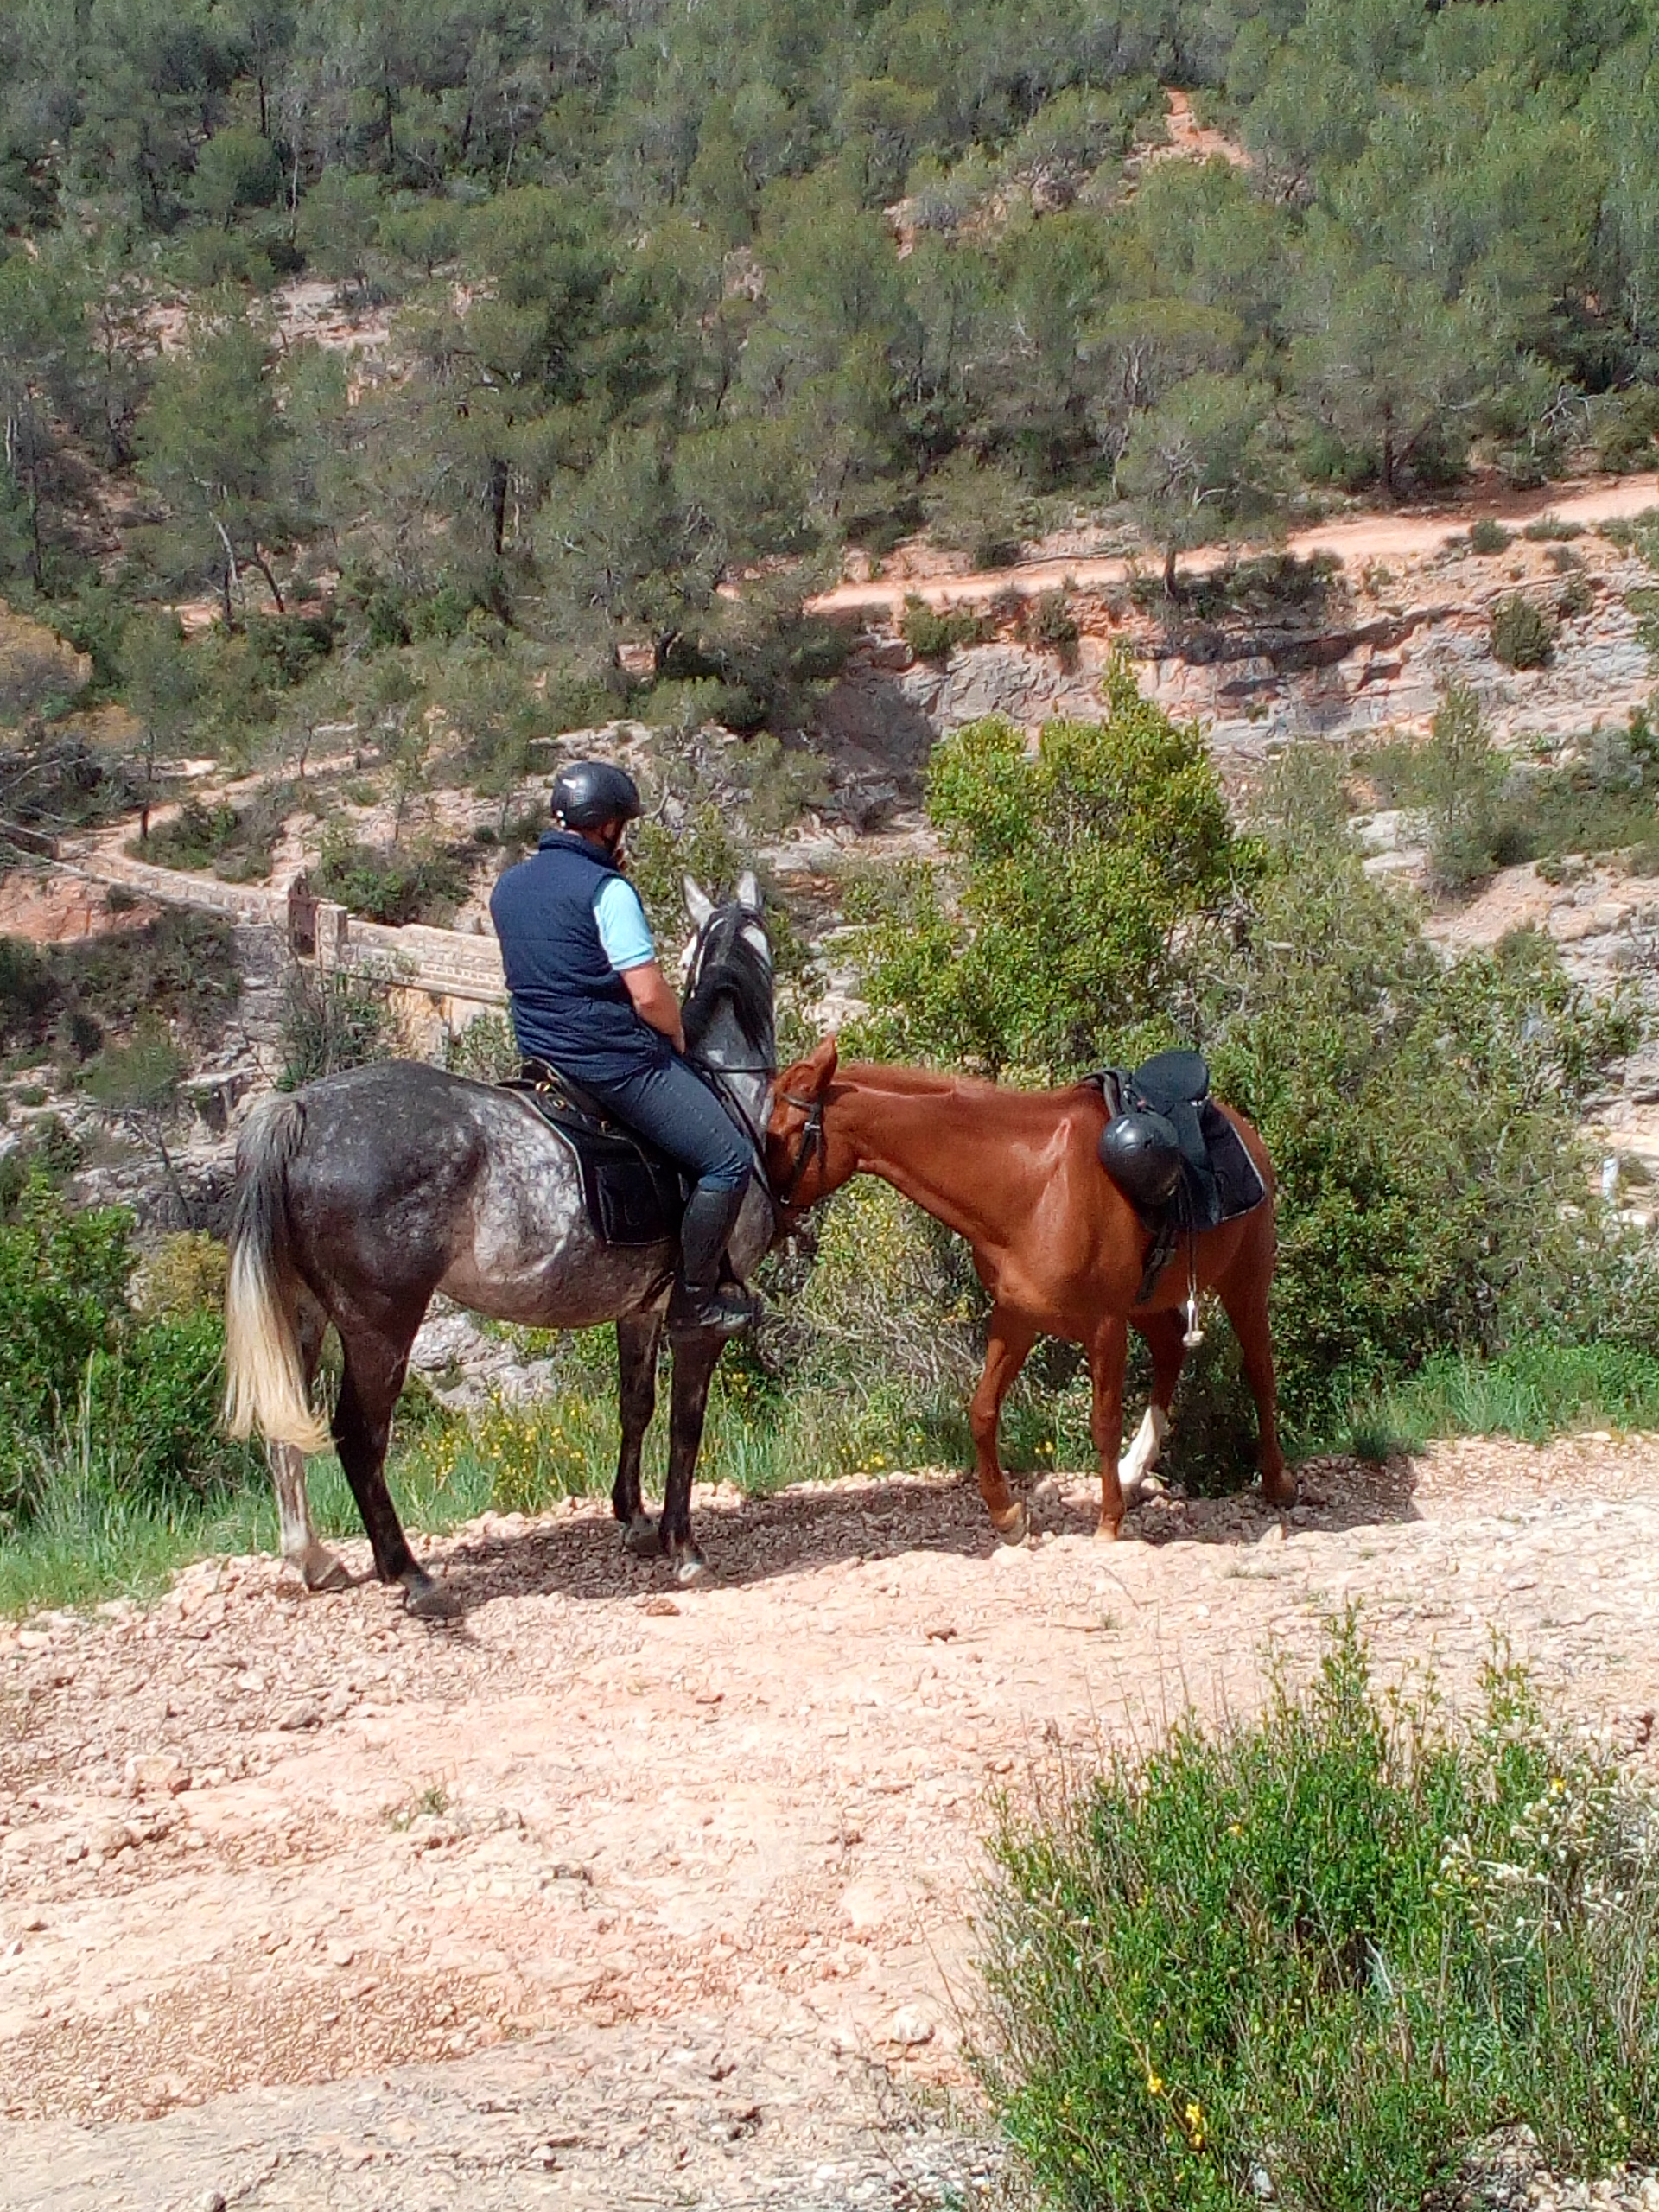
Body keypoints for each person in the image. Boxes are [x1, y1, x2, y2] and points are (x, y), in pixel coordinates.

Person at [488, 760, 758, 1335]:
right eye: (622, 827)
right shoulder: (608, 891)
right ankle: (694, 1301)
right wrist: (676, 1033)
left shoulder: (508, 885)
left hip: (541, 1056)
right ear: (608, 826)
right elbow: (649, 996)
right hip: (612, 1063)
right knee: (729, 1160)